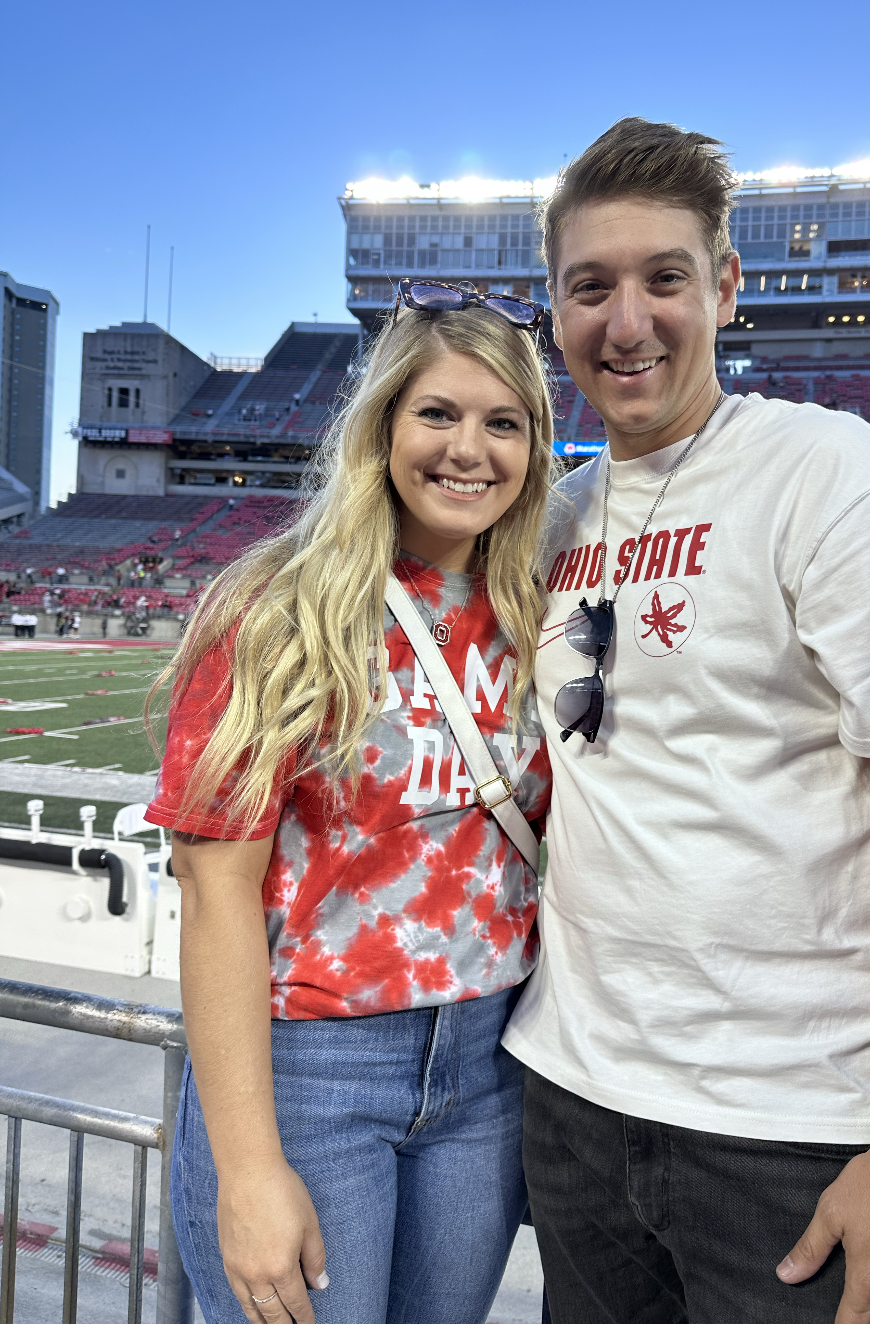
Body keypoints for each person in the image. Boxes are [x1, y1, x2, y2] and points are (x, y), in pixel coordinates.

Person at [501, 118, 870, 1324]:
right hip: (572, 1101)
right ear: (557, 309)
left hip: (789, 1134)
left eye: (663, 278)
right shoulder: (552, 518)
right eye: (591, 287)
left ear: (726, 287)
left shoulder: (831, 472)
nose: (627, 323)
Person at [145, 285, 556, 1324]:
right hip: (311, 1068)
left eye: (501, 422)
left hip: (488, 1063)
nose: (469, 448)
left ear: (534, 446)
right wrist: (246, 1167)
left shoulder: (537, 613)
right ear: (381, 428)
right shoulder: (275, 605)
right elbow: (214, 890)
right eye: (438, 414)